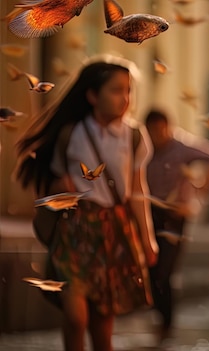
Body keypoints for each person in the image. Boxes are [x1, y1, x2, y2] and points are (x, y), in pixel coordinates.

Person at [14, 55, 157, 351]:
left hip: (114, 229)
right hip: (75, 229)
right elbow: (52, 183)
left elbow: (138, 190)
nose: (125, 98)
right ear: (92, 95)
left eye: (128, 90)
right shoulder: (71, 133)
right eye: (116, 90)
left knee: (103, 323)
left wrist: (147, 239)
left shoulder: (133, 136)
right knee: (76, 316)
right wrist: (58, 187)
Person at [144, 108, 209, 342]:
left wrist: (204, 187)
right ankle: (159, 317)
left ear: (169, 127)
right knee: (151, 268)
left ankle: (167, 324)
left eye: (161, 130)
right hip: (148, 212)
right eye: (152, 131)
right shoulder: (143, 148)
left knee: (166, 270)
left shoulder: (182, 148)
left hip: (175, 216)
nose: (157, 135)